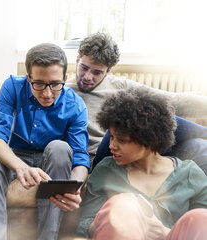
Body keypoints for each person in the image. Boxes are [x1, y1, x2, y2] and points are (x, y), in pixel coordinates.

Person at [0, 43, 90, 240]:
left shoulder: (75, 105)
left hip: (52, 159)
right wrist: (20, 166)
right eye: (39, 83)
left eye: (55, 84)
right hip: (15, 155)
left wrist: (73, 188)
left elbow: (81, 158)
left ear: (65, 79)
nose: (47, 93)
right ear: (28, 78)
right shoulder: (12, 87)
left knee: (60, 147)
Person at [77, 86, 207, 240]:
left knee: (200, 218)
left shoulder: (189, 173)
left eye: (122, 140)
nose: (111, 146)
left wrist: (164, 233)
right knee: (123, 205)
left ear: (149, 139)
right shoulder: (106, 169)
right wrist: (116, 219)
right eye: (111, 137)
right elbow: (84, 224)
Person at [68, 32, 207, 173]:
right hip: (98, 158)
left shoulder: (118, 85)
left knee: (198, 146)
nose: (88, 77)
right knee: (122, 123)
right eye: (84, 68)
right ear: (78, 59)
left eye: (97, 72)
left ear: (108, 71)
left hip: (128, 150)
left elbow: (171, 100)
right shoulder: (60, 92)